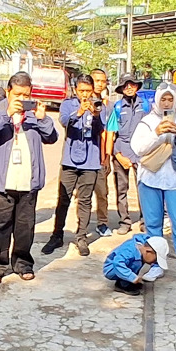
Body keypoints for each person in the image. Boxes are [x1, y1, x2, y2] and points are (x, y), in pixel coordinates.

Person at [0, 71, 60, 283]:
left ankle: (23, 263)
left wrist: (42, 119)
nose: (22, 100)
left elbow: (52, 137)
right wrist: (6, 113)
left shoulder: (34, 113)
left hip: (27, 181)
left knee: (25, 228)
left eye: (26, 95)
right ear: (8, 92)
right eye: (17, 95)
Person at [130, 82, 176, 291]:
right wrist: (157, 133)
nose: (167, 102)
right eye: (164, 99)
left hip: (175, 181)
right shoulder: (147, 121)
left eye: (171, 99)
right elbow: (138, 148)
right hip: (150, 180)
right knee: (153, 226)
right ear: (157, 100)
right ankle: (155, 265)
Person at [43, 75, 105, 257]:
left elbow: (101, 130)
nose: (85, 95)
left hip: (91, 159)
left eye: (88, 91)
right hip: (70, 159)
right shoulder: (68, 104)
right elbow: (64, 122)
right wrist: (79, 112)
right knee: (63, 199)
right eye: (81, 91)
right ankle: (57, 235)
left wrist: (95, 115)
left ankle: (82, 237)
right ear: (76, 90)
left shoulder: (99, 105)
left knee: (85, 200)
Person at [107, 75, 145, 231]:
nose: (129, 88)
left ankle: (144, 221)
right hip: (121, 151)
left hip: (141, 152)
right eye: (126, 85)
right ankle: (125, 222)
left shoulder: (146, 105)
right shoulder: (116, 108)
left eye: (132, 85)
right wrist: (116, 155)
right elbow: (111, 133)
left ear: (136, 86)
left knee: (143, 188)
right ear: (122, 89)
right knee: (122, 189)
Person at [104, 232, 169, 294]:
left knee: (137, 262)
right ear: (148, 251)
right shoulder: (129, 251)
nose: (153, 263)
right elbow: (117, 263)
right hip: (111, 268)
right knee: (134, 263)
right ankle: (122, 284)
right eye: (155, 260)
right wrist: (132, 277)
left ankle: (126, 280)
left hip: (121, 265)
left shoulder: (141, 249)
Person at [90, 67, 114, 235]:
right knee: (82, 196)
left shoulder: (109, 107)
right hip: (83, 157)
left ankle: (102, 222)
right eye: (96, 80)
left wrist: (106, 157)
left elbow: (109, 132)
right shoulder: (81, 102)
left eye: (102, 81)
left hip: (100, 156)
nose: (99, 84)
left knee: (102, 192)